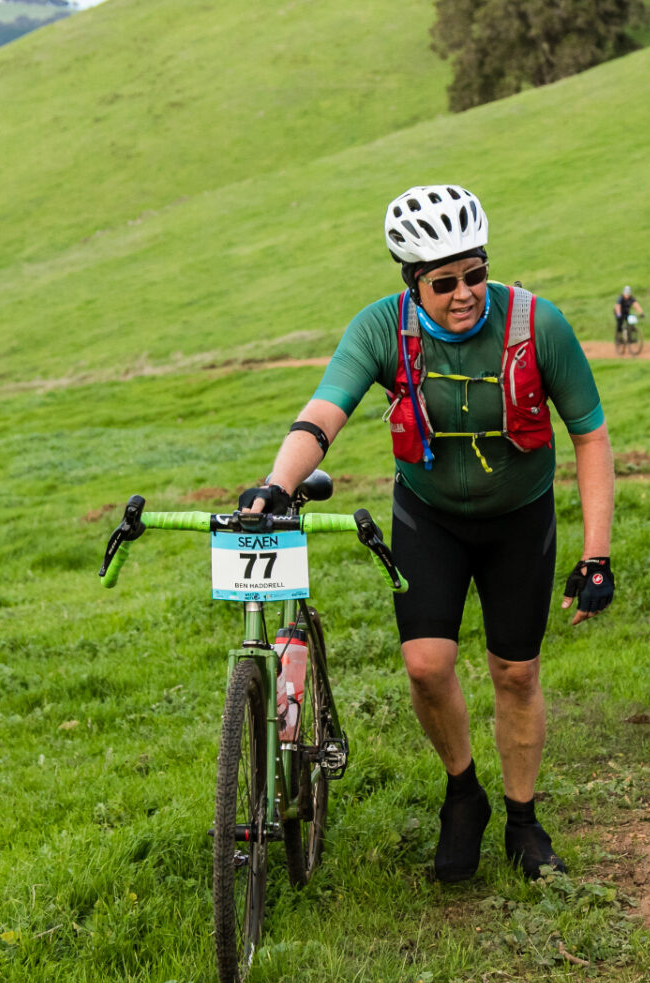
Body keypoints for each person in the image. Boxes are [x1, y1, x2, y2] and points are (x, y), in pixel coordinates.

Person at [238, 184, 616, 884]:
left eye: (476, 273)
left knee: (516, 672)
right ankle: (462, 793)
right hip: (429, 517)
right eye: (445, 283)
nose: (466, 293)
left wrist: (597, 554)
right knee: (425, 665)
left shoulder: (539, 325)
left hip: (519, 521)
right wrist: (276, 484)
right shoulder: (383, 328)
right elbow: (325, 410)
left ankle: (524, 822)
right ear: (413, 284)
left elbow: (589, 435)